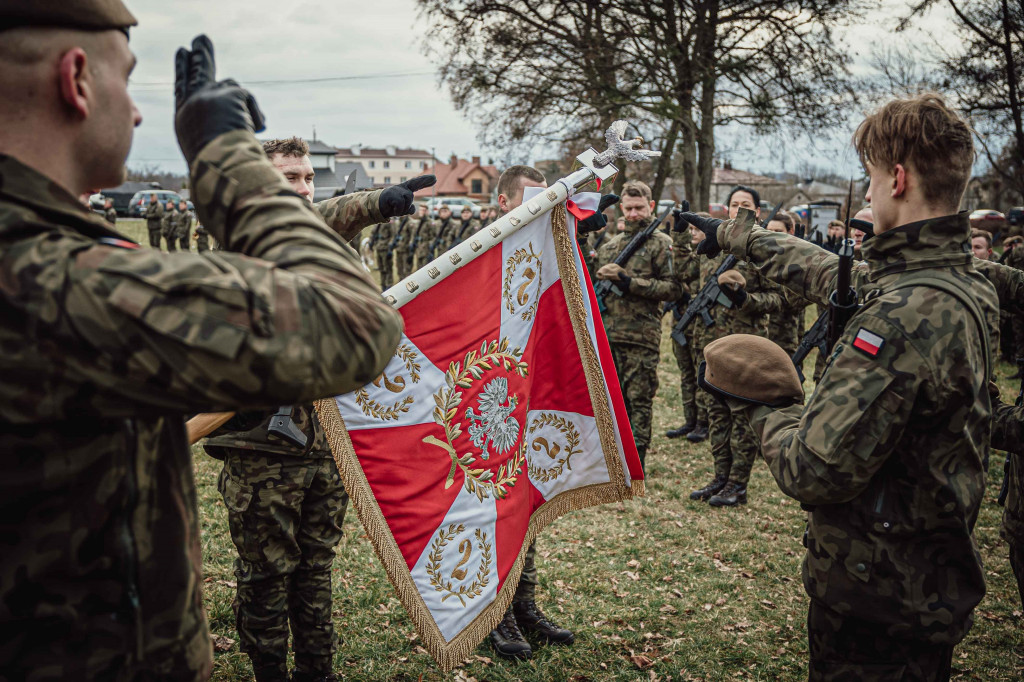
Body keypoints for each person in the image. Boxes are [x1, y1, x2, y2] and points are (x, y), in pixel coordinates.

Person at [0, 8, 406, 680]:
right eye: (127, 80)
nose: (136, 113)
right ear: (76, 79)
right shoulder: (49, 277)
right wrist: (228, 161)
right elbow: (354, 324)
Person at [684, 93, 999, 680]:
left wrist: (765, 405)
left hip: (876, 603)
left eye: (872, 178)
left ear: (897, 179)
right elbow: (842, 273)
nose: (871, 191)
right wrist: (743, 236)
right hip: (926, 580)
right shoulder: (961, 284)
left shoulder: (898, 320)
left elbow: (813, 471)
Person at [202, 136, 433, 682]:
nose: (303, 189)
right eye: (288, 179)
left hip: (327, 440)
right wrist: (373, 203)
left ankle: (317, 671)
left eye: (307, 178)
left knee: (315, 571)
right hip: (263, 448)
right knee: (265, 574)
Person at [486, 164, 575, 661]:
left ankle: (525, 605)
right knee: (493, 510)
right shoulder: (477, 251)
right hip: (490, 399)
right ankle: (497, 617)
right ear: (504, 202)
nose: (542, 204)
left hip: (530, 395)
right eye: (531, 197)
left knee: (525, 506)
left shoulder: (545, 247)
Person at [688, 185, 781, 507]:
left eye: (746, 204)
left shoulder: (766, 250)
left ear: (756, 211)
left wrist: (745, 299)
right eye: (733, 204)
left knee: (742, 418)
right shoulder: (712, 249)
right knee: (717, 415)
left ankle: (738, 485)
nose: (738, 209)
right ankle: (720, 477)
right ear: (725, 210)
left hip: (747, 349)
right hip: (712, 347)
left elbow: (779, 298)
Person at [595, 179, 682, 470]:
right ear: (621, 208)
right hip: (609, 335)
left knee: (639, 400)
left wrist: (629, 282)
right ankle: (611, 459)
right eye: (629, 208)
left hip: (642, 336)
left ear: (651, 207)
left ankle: (636, 462)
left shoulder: (663, 244)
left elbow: (673, 290)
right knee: (611, 401)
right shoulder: (611, 247)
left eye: (639, 208)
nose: (633, 214)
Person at [666, 216, 703, 439]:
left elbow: (688, 273)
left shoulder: (710, 257)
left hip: (701, 327)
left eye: (698, 229)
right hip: (682, 323)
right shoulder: (683, 257)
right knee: (686, 375)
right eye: (691, 229)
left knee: (701, 375)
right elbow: (678, 277)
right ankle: (690, 420)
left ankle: (703, 422)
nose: (694, 233)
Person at [764, 211, 810, 357]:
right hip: (758, 334)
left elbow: (800, 301)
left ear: (790, 232)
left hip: (784, 337)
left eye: (778, 231)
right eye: (769, 231)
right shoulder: (759, 258)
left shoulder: (796, 260)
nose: (773, 235)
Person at [369, 219, 395, 290]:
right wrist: (371, 243)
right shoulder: (376, 222)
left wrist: (390, 247)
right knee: (381, 268)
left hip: (386, 248)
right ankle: (383, 286)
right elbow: (373, 233)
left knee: (388, 268)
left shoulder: (389, 222)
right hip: (378, 248)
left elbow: (393, 235)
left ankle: (389, 285)